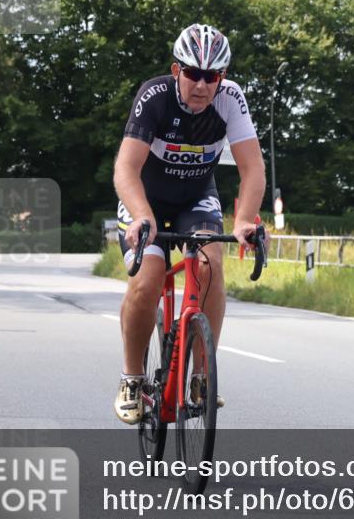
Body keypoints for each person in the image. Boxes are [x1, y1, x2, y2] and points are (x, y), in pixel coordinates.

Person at [112, 23, 266, 424]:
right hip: (145, 198)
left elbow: (252, 170)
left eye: (211, 76)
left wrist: (245, 220)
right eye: (192, 73)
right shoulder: (155, 96)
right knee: (149, 277)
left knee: (210, 263)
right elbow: (126, 168)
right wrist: (141, 215)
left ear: (223, 77)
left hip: (196, 198)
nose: (201, 84)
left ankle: (200, 375)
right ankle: (131, 377)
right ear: (176, 70)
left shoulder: (230, 100)